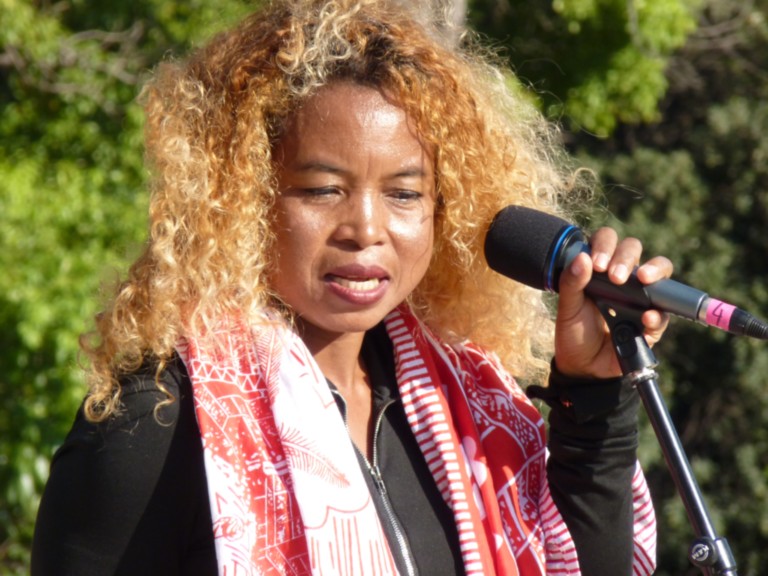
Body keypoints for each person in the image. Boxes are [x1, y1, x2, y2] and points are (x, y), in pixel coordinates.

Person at [32, 1, 673, 574]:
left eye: (403, 193)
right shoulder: (157, 425)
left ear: (443, 211)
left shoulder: (470, 410)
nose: (366, 229)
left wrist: (593, 396)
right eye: (321, 189)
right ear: (241, 198)